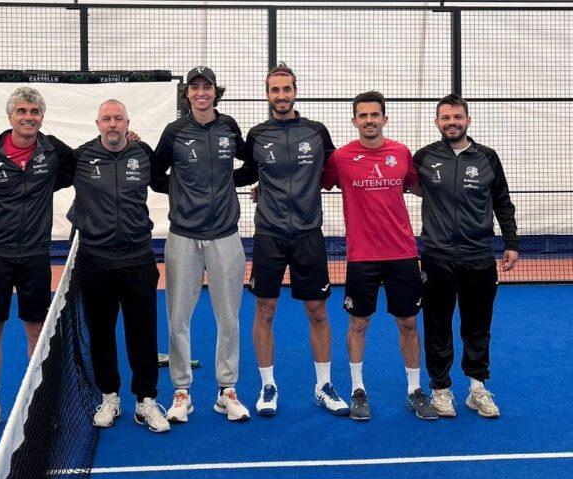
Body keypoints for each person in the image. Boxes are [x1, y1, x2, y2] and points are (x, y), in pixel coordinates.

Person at [233, 63, 348, 417]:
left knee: (317, 310)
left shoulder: (316, 132)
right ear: (267, 95)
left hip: (308, 234)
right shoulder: (257, 134)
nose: (280, 96)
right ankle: (268, 386)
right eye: (274, 90)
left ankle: (323, 385)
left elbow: (333, 171)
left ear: (295, 91)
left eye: (286, 89)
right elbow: (247, 173)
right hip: (269, 233)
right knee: (264, 309)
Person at [322, 91, 438, 422]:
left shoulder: (401, 153)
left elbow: (422, 188)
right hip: (362, 257)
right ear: (354, 120)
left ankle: (414, 390)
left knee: (408, 322)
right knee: (358, 323)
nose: (370, 120)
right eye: (363, 115)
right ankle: (358, 390)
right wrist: (266, 187)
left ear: (385, 119)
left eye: (376, 115)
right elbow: (309, 183)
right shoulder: (341, 158)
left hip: (402, 253)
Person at [56, 99, 170, 432]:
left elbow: (175, 179)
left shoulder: (143, 154)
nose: (113, 124)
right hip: (96, 261)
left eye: (118, 118)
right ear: (97, 123)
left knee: (143, 335)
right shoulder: (79, 158)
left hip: (138, 258)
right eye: (107, 119)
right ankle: (109, 396)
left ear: (127, 122)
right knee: (102, 334)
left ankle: (146, 400)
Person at [0, 87, 74, 437]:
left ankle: (37, 402)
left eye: (35, 112)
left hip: (34, 255)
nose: (29, 117)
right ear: (10, 116)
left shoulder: (54, 150)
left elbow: (78, 169)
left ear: (41, 117)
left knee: (36, 330)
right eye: (22, 111)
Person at [153, 66, 250, 423]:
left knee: (229, 318)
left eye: (206, 87)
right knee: (178, 317)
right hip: (182, 236)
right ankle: (182, 392)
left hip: (226, 234)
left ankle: (227, 390)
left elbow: (251, 165)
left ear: (215, 92)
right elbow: (153, 173)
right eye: (194, 88)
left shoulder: (229, 127)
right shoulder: (174, 132)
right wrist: (181, 192)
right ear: (188, 94)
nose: (201, 93)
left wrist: (228, 182)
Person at [414, 94, 518, 418]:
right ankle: (441, 390)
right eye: (445, 118)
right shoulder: (424, 158)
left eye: (457, 117)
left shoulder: (488, 158)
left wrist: (511, 242)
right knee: (437, 324)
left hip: (479, 258)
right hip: (436, 257)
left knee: (477, 325)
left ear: (468, 120)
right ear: (437, 122)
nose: (452, 123)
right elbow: (389, 185)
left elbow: (502, 201)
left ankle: (477, 388)